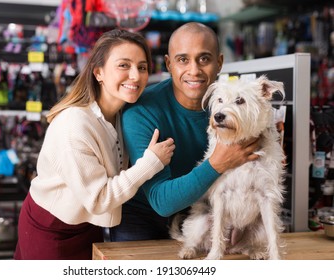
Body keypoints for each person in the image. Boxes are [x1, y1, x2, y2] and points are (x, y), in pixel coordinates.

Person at [14, 29, 175, 260]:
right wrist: (151, 163)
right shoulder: (74, 125)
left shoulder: (124, 114)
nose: (136, 76)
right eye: (124, 65)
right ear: (98, 72)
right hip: (52, 228)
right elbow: (99, 199)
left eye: (142, 67)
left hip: (89, 225)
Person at [109, 22, 260, 242]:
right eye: (183, 60)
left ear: (219, 63)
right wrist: (218, 163)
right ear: (169, 64)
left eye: (204, 59)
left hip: (201, 213)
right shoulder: (141, 111)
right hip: (143, 218)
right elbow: (162, 202)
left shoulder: (234, 109)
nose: (194, 70)